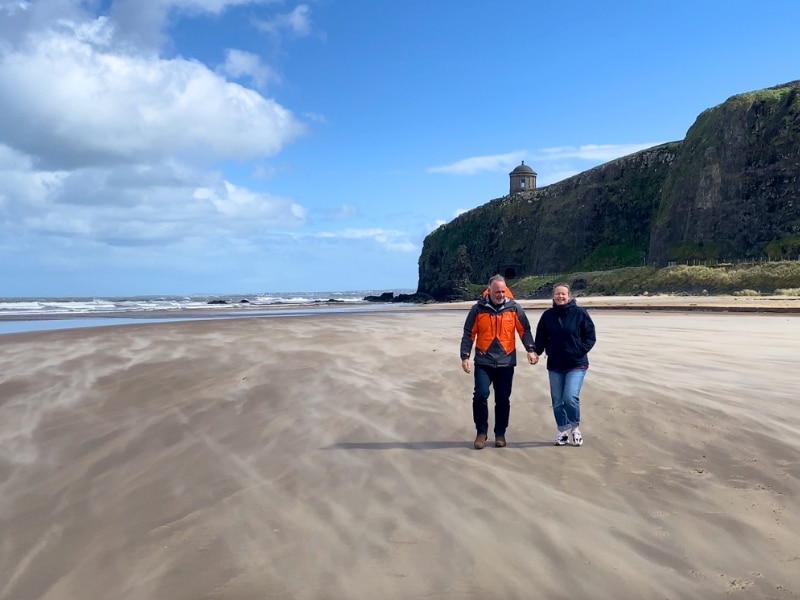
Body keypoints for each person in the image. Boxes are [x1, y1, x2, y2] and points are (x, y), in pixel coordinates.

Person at [460, 275, 537, 449]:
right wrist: (465, 356)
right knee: (480, 394)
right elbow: (468, 334)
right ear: (489, 291)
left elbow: (524, 330)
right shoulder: (477, 309)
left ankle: (500, 433)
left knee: (502, 399)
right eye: (497, 292)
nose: (500, 294)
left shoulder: (514, 308)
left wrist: (530, 349)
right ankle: (481, 432)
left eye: (503, 291)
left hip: (506, 361)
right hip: (483, 360)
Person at [532, 283, 596, 446]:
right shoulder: (547, 316)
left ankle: (575, 428)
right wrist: (535, 353)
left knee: (569, 397)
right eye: (557, 294)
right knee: (557, 400)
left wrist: (580, 350)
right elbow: (540, 339)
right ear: (553, 296)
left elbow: (590, 336)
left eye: (563, 294)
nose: (560, 297)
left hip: (576, 364)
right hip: (555, 364)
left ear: (569, 296)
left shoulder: (580, 313)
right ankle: (562, 430)